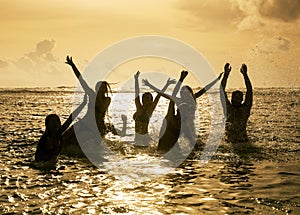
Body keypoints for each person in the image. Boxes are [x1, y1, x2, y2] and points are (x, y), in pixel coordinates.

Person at [61, 56, 127, 156]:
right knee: (63, 139)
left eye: (103, 88)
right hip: (84, 123)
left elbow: (100, 107)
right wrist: (73, 66)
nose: (101, 90)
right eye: (99, 88)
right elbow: (81, 80)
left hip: (98, 127)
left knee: (113, 136)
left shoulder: (107, 99)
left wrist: (124, 121)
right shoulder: (92, 95)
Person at [144, 71, 222, 152]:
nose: (183, 94)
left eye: (185, 92)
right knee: (175, 142)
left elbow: (204, 89)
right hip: (180, 124)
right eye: (182, 92)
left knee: (195, 145)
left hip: (189, 124)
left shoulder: (193, 98)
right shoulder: (179, 100)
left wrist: (216, 80)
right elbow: (163, 94)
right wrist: (181, 79)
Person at [35, 94, 87, 164]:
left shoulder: (58, 134)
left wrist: (83, 103)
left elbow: (70, 119)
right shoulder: (45, 140)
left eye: (57, 121)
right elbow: (38, 159)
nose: (56, 123)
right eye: (53, 121)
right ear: (47, 125)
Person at [133, 71, 176, 146]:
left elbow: (159, 95)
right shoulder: (139, 108)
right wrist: (136, 79)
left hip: (145, 138)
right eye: (145, 99)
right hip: (137, 139)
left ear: (151, 101)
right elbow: (136, 93)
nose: (146, 100)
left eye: (148, 99)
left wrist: (167, 84)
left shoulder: (150, 110)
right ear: (142, 100)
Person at [221, 63, 253, 142]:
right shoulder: (230, 108)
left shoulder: (243, 109)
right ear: (231, 99)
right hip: (239, 143)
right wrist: (225, 75)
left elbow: (249, 91)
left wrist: (245, 75)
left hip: (239, 142)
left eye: (238, 98)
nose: (236, 99)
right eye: (235, 98)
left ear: (242, 100)